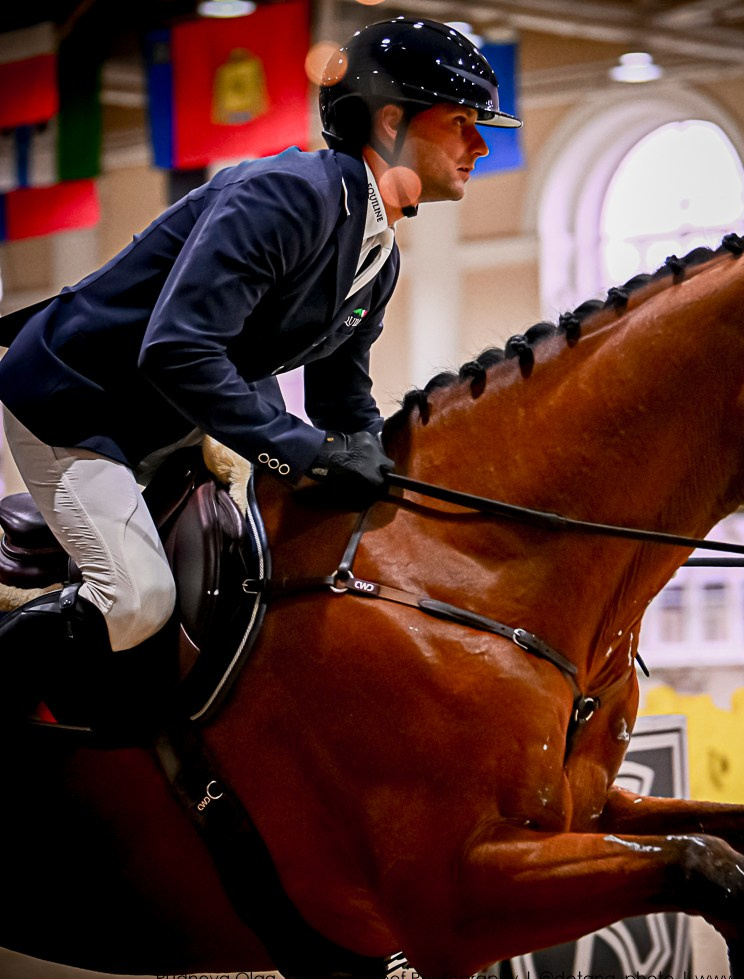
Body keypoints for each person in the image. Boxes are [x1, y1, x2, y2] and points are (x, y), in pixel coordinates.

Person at [0, 17, 520, 680]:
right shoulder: (287, 196)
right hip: (75, 402)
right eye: (462, 122)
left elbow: (342, 396)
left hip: (174, 415)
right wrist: (304, 452)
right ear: (391, 121)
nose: (481, 145)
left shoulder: (378, 255)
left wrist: (388, 476)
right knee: (137, 602)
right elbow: (177, 348)